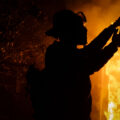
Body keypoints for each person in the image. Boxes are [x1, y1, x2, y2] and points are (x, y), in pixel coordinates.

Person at [44, 10, 120, 120]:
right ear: (70, 30)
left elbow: (90, 50)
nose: (84, 30)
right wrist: (113, 45)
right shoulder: (60, 54)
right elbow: (91, 63)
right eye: (80, 26)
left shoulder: (59, 50)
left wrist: (114, 26)